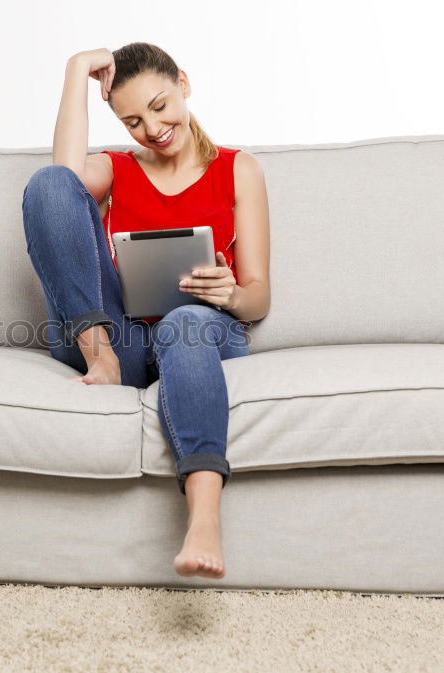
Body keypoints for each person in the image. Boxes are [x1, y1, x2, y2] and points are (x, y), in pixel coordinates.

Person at [21, 42, 271, 580]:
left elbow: (259, 295)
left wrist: (229, 293)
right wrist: (74, 72)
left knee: (184, 321)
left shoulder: (237, 169)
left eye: (159, 106)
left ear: (183, 82)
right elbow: (59, 189)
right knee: (47, 182)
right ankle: (98, 355)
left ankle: (204, 519)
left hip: (206, 329)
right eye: (133, 120)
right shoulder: (116, 169)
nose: (152, 128)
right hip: (124, 340)